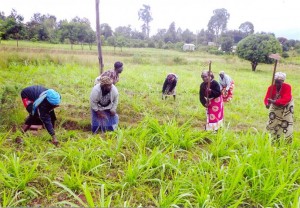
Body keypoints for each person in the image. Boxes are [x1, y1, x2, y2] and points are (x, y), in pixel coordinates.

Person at [264, 72, 294, 140]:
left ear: (283, 81)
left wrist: (275, 101)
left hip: (287, 106)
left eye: (279, 82)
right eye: (276, 82)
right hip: (275, 105)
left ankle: (284, 138)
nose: (277, 84)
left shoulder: (287, 87)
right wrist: (267, 104)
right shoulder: (271, 87)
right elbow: (267, 98)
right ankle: (271, 136)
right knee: (272, 119)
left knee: (285, 122)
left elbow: (287, 98)